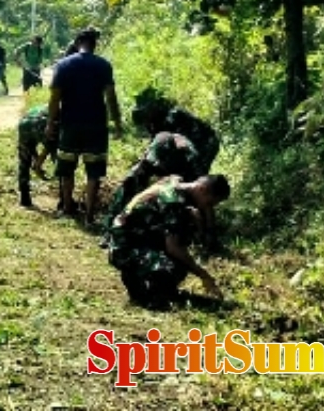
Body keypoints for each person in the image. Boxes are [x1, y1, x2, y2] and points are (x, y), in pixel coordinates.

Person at [106, 174, 231, 305]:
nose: (208, 207)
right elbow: (174, 247)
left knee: (180, 265)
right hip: (124, 246)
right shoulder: (173, 202)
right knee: (170, 267)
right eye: (209, 202)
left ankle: (159, 289)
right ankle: (143, 293)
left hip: (138, 237)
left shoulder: (176, 181)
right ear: (202, 189)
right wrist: (204, 276)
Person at [46, 27, 124, 226]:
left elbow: (55, 99)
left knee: (66, 168)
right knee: (94, 173)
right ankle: (89, 215)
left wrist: (50, 123)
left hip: (70, 124)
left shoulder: (63, 65)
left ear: (76, 43)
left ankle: (67, 209)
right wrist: (117, 123)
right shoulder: (104, 65)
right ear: (94, 44)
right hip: (96, 125)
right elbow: (110, 97)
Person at [132, 87, 221, 176]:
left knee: (192, 172)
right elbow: (154, 144)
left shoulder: (173, 115)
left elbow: (182, 145)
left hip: (206, 142)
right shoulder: (154, 121)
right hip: (191, 144)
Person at [16, 104, 56, 207]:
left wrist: (37, 160)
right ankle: (64, 200)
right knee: (60, 160)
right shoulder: (57, 112)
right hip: (41, 123)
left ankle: (24, 196)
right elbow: (50, 145)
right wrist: (38, 163)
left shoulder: (44, 108)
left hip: (25, 123)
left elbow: (31, 146)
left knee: (24, 160)